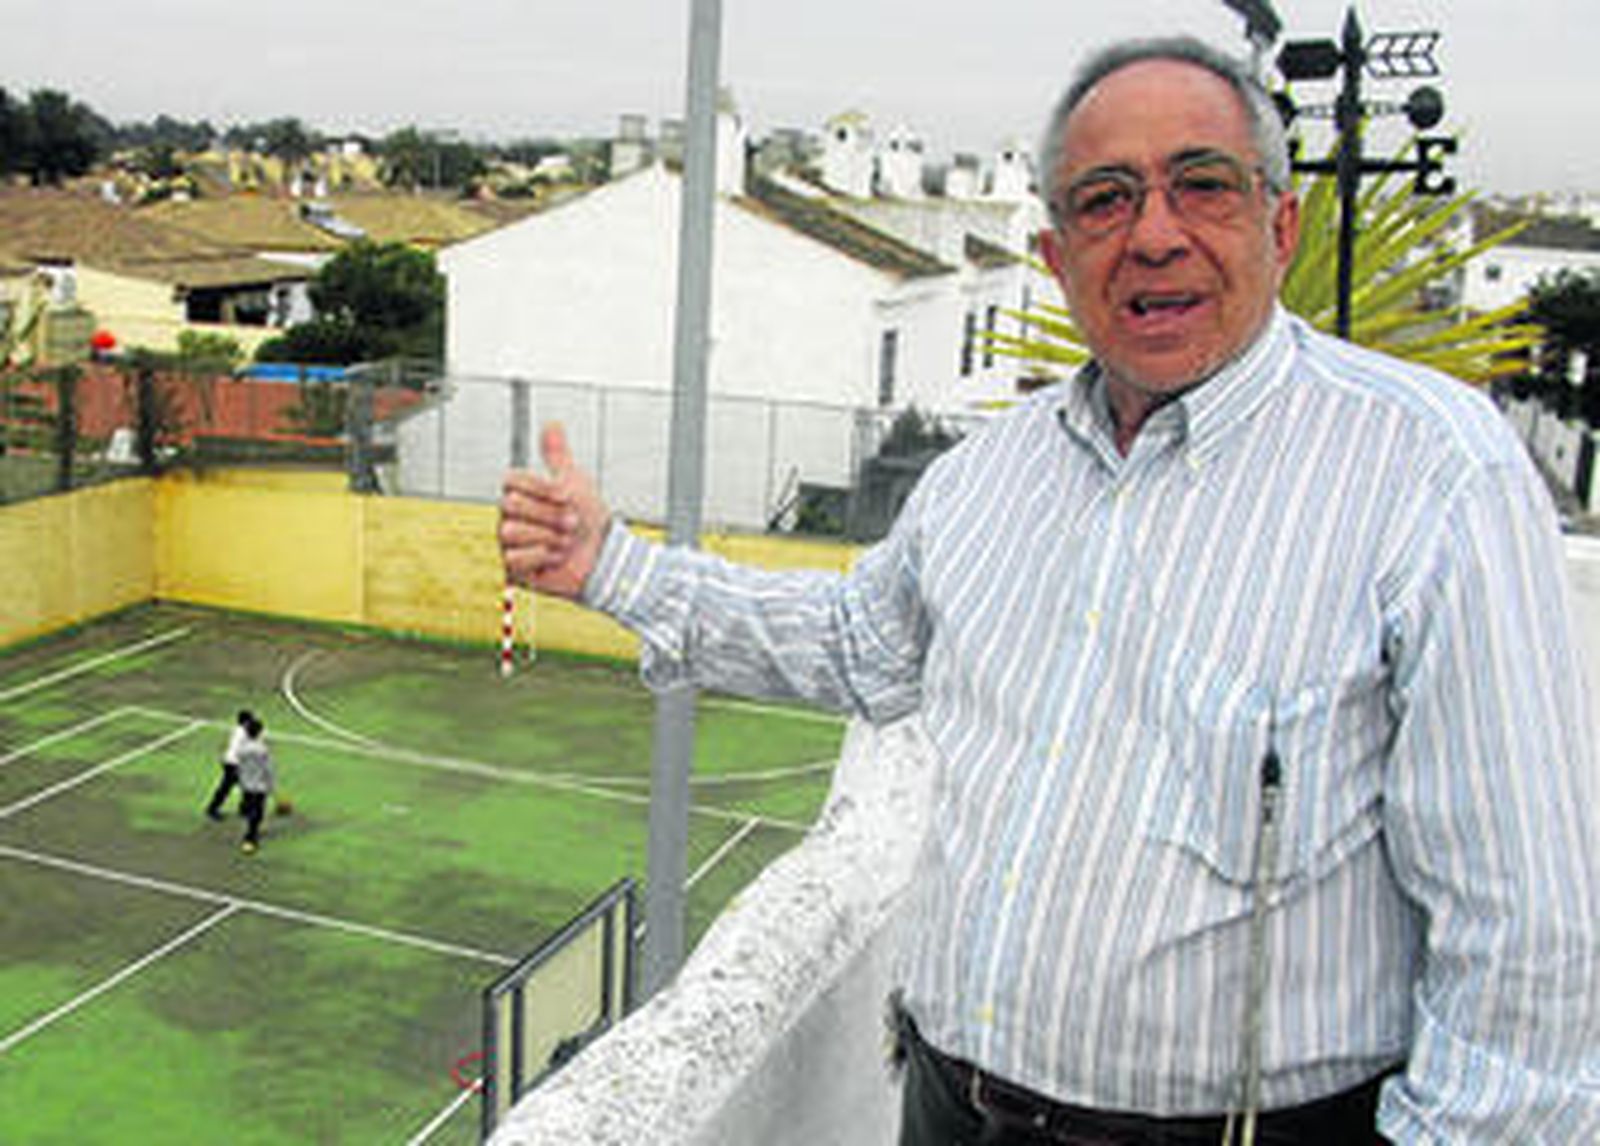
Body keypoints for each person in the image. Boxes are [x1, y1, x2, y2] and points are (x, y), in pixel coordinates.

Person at [498, 36, 1599, 1145]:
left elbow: (1522, 937)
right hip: (949, 1110)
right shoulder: (985, 475)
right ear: (1055, 255)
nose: (1154, 234)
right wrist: (614, 567)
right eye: (1105, 200)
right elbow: (852, 642)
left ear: (1282, 224)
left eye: (1202, 184)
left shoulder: (1431, 473)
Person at [235, 714, 275, 855]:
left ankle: (247, 821)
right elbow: (268, 769)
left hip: (246, 784)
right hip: (259, 786)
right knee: (257, 813)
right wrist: (271, 785)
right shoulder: (262, 750)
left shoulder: (242, 748)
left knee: (249, 807)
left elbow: (239, 765)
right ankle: (250, 837)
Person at [204, 709, 253, 821]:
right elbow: (240, 751)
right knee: (230, 787)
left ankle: (244, 809)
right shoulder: (243, 734)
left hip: (230, 762)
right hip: (234, 764)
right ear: (246, 722)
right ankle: (212, 809)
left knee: (239, 787)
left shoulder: (238, 730)